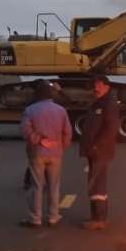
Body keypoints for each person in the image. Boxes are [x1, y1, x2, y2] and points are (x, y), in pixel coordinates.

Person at [20, 80, 73, 228]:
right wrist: (61, 146)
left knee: (36, 185)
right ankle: (53, 217)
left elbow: (25, 132)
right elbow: (68, 133)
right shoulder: (61, 110)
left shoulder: (30, 110)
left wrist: (40, 141)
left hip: (37, 153)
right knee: (54, 186)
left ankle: (35, 218)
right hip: (56, 153)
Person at [80, 75, 120, 230]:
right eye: (94, 85)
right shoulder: (99, 102)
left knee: (97, 184)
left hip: (100, 151)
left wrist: (97, 145)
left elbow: (111, 128)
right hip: (94, 150)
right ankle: (96, 216)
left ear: (106, 86)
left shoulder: (108, 104)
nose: (95, 88)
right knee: (95, 183)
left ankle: (99, 219)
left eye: (97, 85)